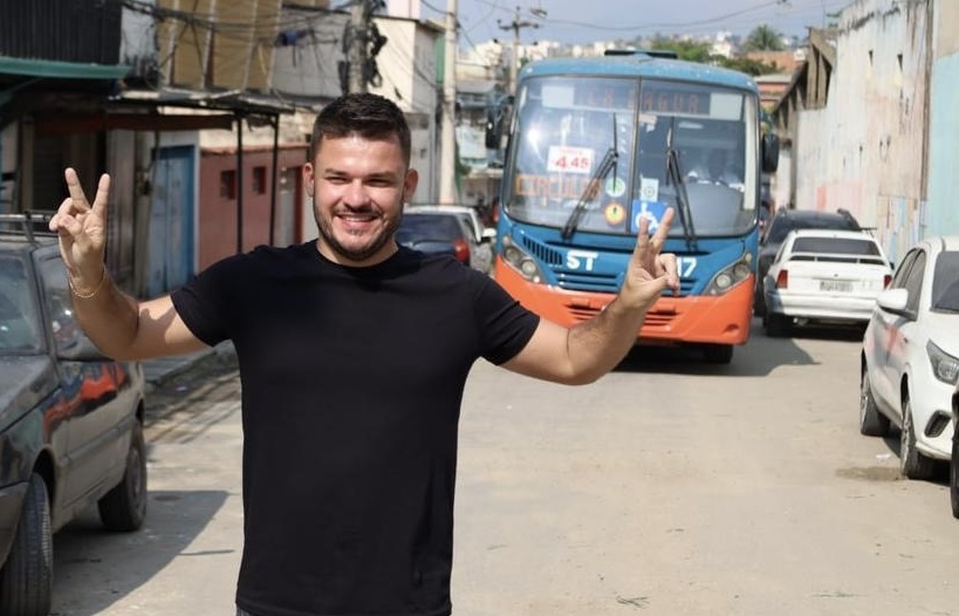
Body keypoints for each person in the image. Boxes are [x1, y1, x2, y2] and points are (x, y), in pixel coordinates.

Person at [48, 93, 678, 616]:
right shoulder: (251, 285)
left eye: (378, 180)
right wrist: (87, 272)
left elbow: (575, 359)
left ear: (406, 184)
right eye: (340, 178)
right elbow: (128, 333)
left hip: (408, 603)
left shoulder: (458, 297)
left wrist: (626, 305)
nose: (357, 197)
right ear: (310, 180)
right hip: (278, 604)